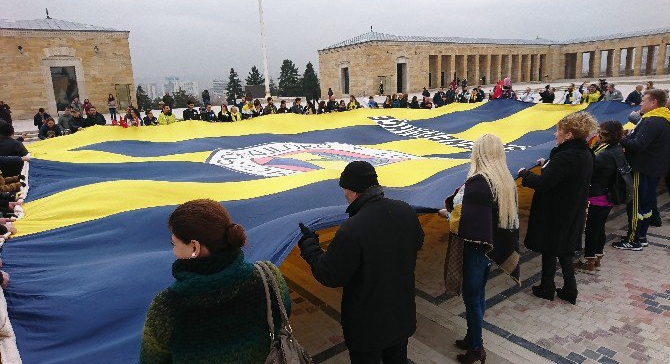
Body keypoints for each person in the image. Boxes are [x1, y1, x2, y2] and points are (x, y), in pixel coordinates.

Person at [298, 161, 424, 363]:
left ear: (352, 190)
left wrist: (309, 245)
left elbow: (329, 274)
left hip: (367, 330)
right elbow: (417, 242)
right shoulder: (405, 211)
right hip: (401, 317)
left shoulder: (352, 229)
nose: (344, 195)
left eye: (344, 190)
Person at [139, 199, 291, 363]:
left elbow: (151, 360)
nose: (173, 250)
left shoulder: (166, 308)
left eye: (174, 244)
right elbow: (283, 316)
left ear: (194, 248)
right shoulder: (268, 276)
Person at [440, 134, 520, 364]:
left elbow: (467, 220)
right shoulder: (505, 179)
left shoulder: (479, 182)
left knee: (472, 298)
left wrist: (447, 216)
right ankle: (471, 336)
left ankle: (476, 349)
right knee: (479, 295)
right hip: (487, 247)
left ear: (479, 153)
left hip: (475, 247)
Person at [518, 112, 597, 305]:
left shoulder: (566, 156)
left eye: (558, 131)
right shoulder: (585, 153)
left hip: (556, 211)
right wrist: (546, 165)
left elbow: (544, 183)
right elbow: (563, 177)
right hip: (572, 210)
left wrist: (525, 175)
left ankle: (547, 287)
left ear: (568, 134)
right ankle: (570, 288)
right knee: (565, 250)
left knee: (550, 249)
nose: (555, 135)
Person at [613, 89, 670, 250]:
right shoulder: (664, 119)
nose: (640, 104)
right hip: (654, 168)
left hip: (642, 168)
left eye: (644, 101)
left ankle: (633, 240)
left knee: (636, 205)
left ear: (654, 103)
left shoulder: (652, 121)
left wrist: (621, 138)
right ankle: (641, 235)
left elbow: (638, 145)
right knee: (645, 205)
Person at [575, 121, 625, 273]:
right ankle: (597, 257)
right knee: (599, 227)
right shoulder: (616, 149)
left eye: (600, 133)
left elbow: (587, 165)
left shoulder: (605, 154)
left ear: (606, 135)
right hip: (608, 196)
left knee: (591, 229)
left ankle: (589, 261)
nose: (597, 136)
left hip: (598, 196)